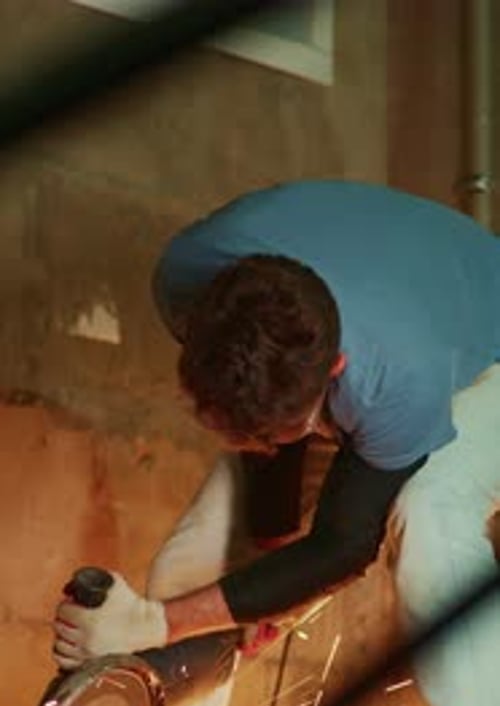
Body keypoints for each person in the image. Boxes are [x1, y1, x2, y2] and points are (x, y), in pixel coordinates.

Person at [52, 180, 500, 670]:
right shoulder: (186, 282)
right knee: (192, 571)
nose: (252, 445)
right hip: (377, 315)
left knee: (430, 514)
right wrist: (267, 553)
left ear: (334, 370)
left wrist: (159, 624)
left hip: (482, 351)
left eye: (272, 433)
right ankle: (155, 704)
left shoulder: (398, 378)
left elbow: (345, 545)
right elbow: (259, 393)